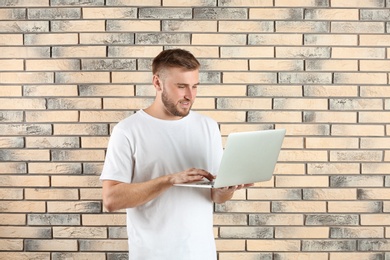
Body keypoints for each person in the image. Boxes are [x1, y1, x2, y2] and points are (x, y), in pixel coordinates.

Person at [100, 48, 252, 259]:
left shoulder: (208, 126)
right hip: (152, 254)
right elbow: (111, 200)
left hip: (201, 253)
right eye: (181, 86)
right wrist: (170, 180)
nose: (189, 95)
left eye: (194, 86)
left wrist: (228, 188)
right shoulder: (128, 131)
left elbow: (216, 196)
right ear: (157, 83)